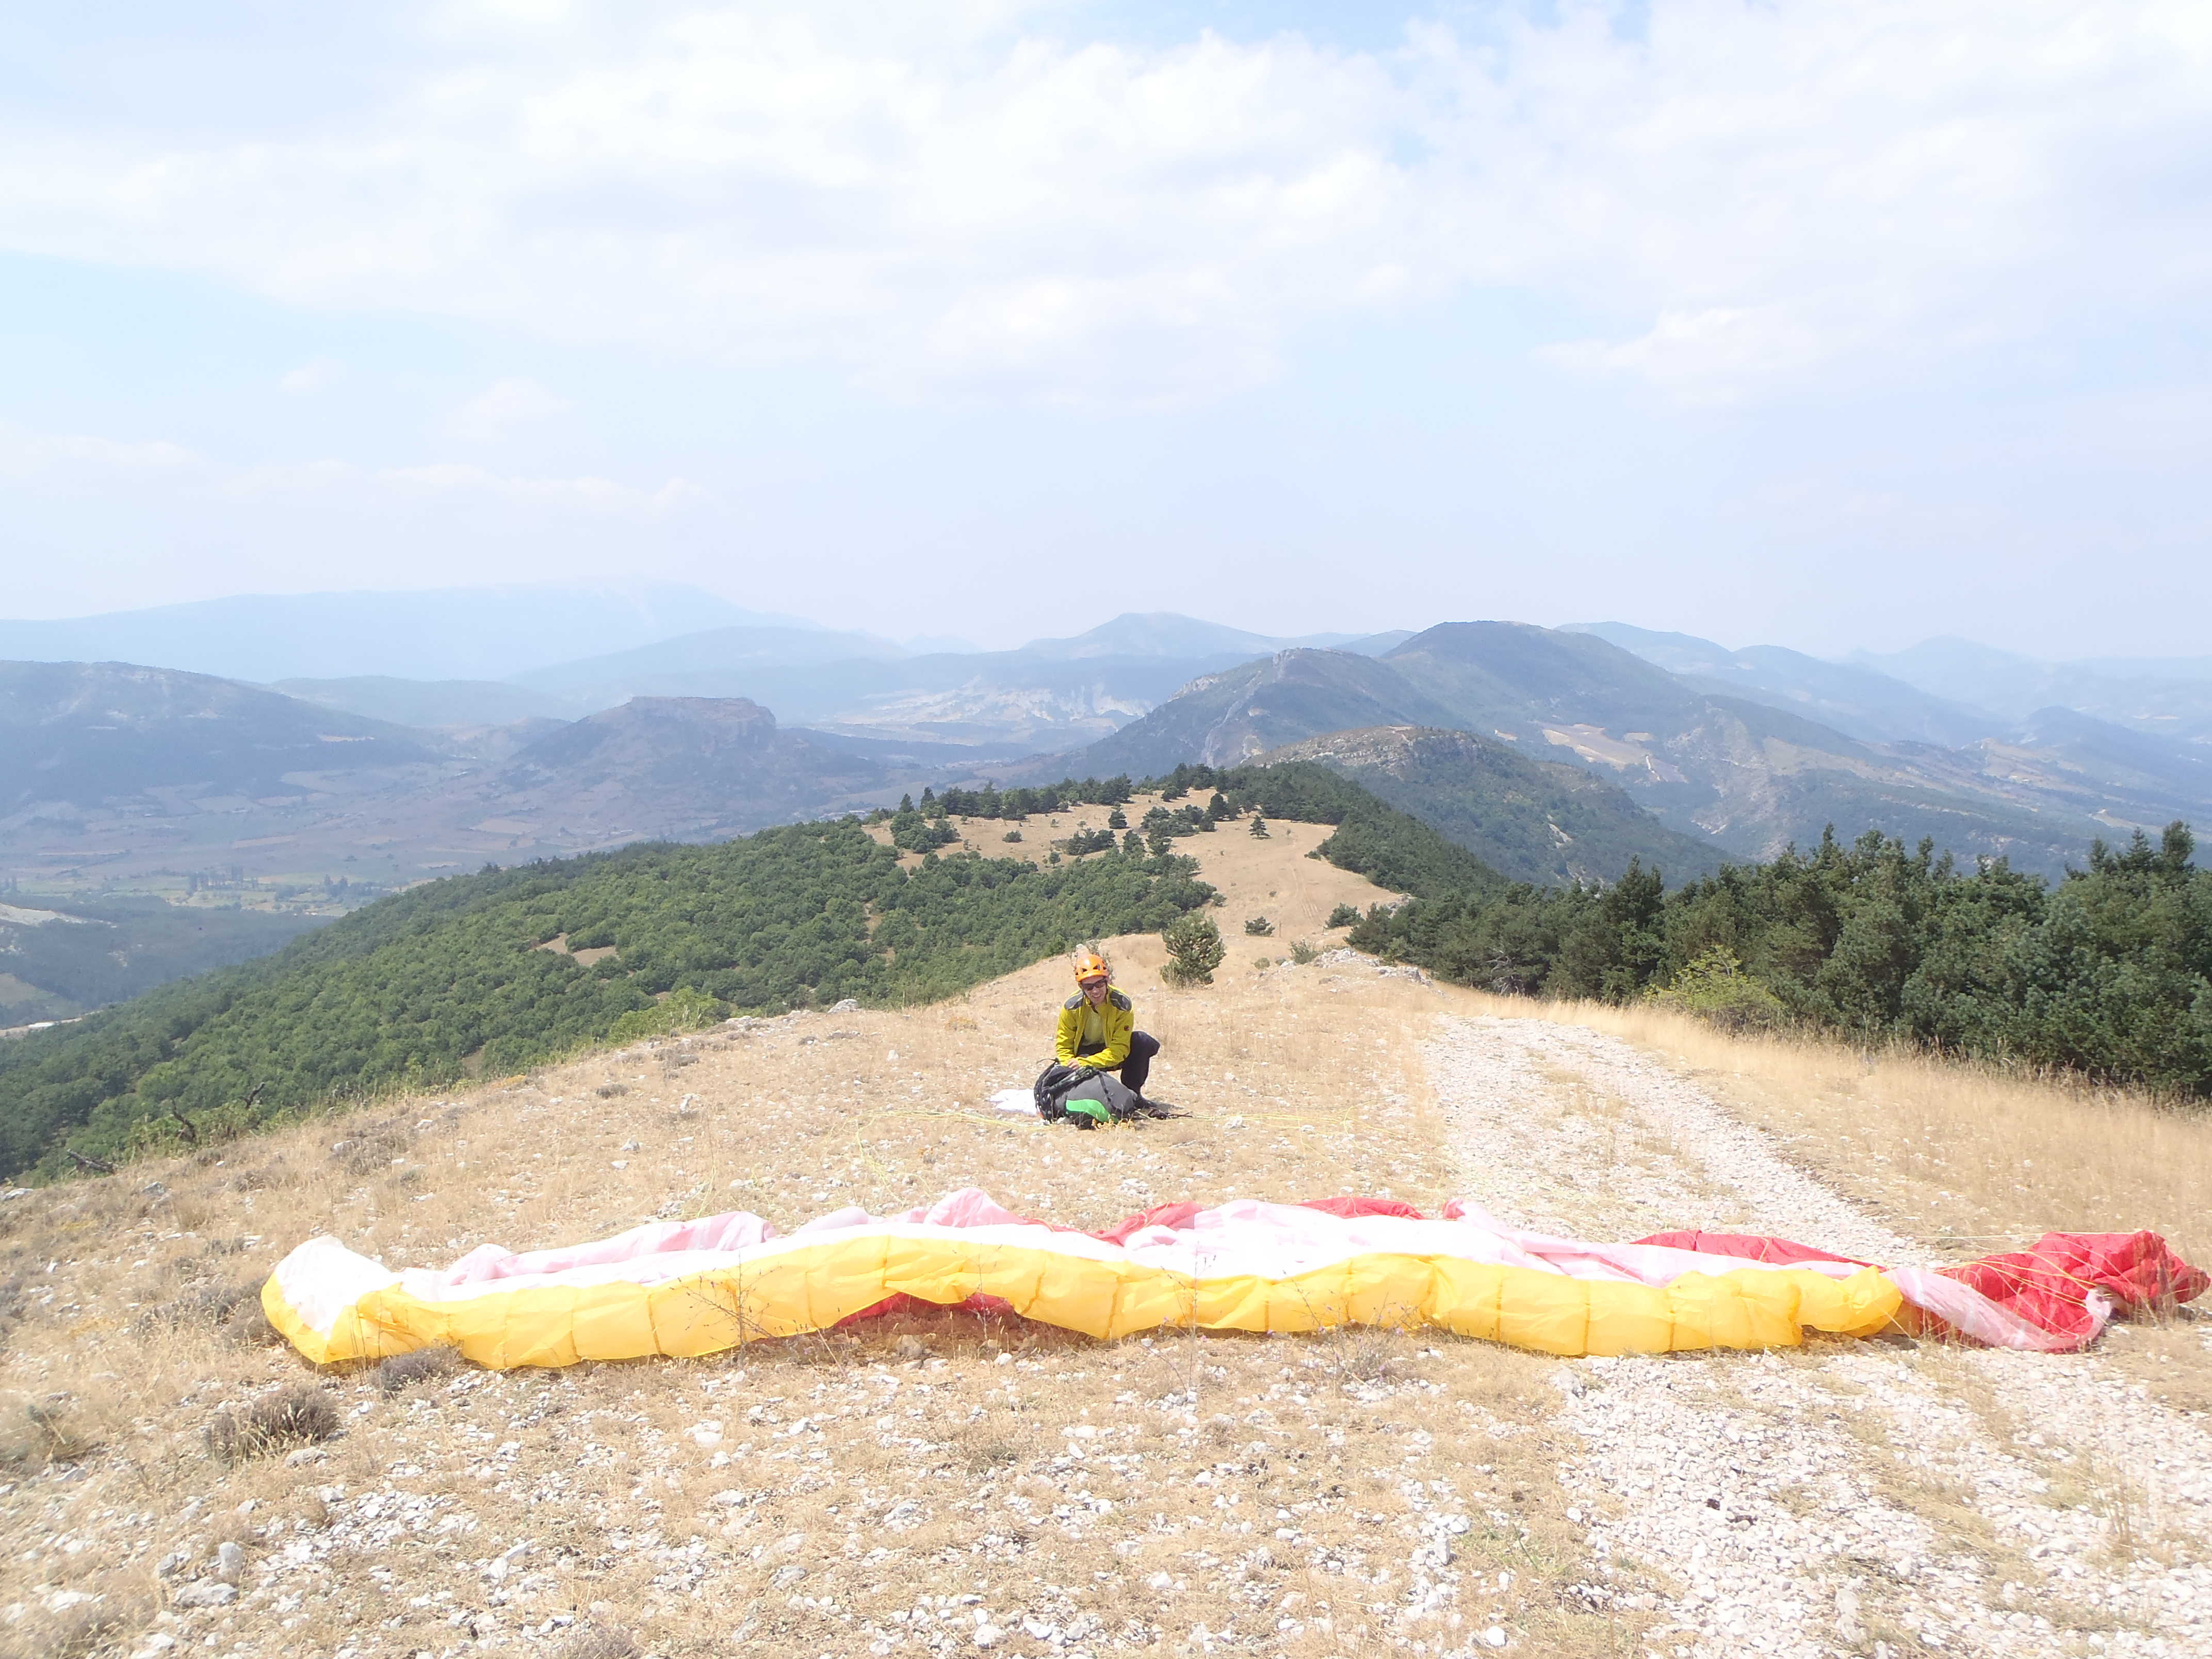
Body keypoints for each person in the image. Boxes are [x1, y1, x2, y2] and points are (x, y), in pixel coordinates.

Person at [1054, 950, 1159, 1099]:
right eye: (1089, 987)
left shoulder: (1122, 1004)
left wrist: (1087, 1063)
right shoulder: (1072, 1007)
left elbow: (1119, 1050)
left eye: (1100, 984)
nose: (1096, 991)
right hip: (1083, 1053)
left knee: (1142, 1041)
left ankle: (1134, 1095)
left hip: (1109, 1051)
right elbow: (1064, 1046)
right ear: (1081, 987)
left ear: (1107, 980)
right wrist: (1070, 1066)